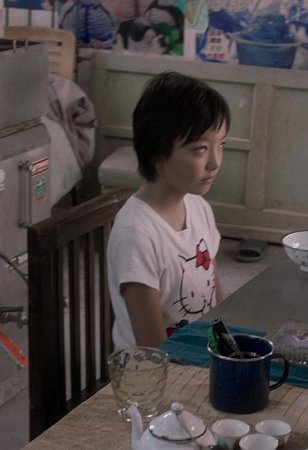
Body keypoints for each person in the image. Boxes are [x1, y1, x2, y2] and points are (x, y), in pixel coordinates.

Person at [107, 71, 229, 349]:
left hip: (200, 355)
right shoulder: (136, 234)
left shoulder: (198, 207)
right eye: (201, 149)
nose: (215, 162)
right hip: (155, 371)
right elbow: (153, 351)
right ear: (157, 154)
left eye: (221, 145)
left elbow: (218, 307)